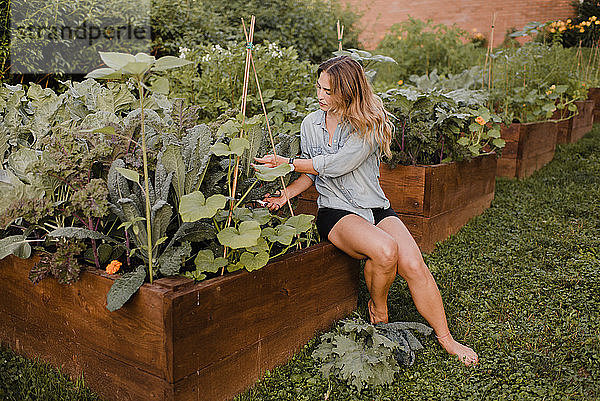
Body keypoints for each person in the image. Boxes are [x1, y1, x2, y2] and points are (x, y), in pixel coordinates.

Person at [253, 55, 478, 366]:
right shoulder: (310, 124)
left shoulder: (368, 125)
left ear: (348, 92)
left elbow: (336, 164)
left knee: (414, 264)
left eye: (328, 91)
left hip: (375, 208)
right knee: (386, 250)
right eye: (319, 87)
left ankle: (447, 339)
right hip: (336, 211)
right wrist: (285, 194)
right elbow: (313, 172)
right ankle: (379, 308)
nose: (320, 96)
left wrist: (287, 162)